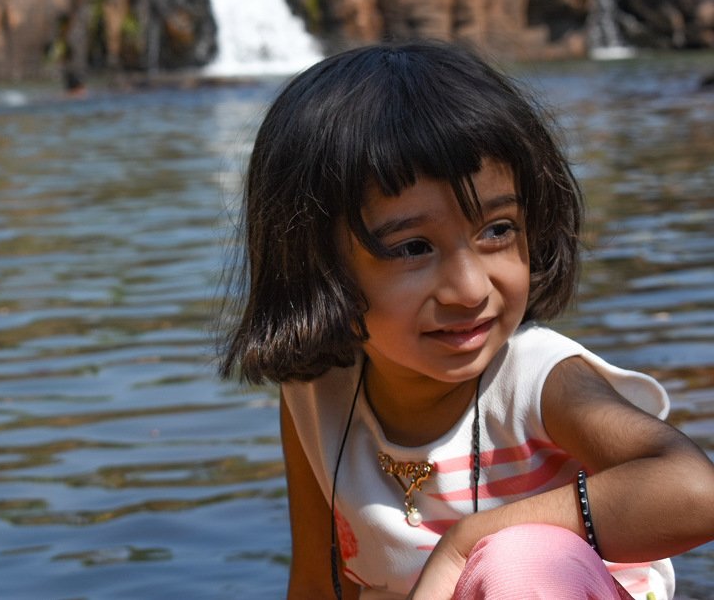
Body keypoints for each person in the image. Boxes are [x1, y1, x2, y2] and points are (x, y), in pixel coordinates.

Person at [218, 41, 714, 600]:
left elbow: (697, 490)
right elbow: (317, 582)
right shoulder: (315, 396)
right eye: (412, 248)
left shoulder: (536, 380)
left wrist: (467, 540)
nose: (470, 288)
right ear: (315, 263)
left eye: (497, 230)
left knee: (518, 561)